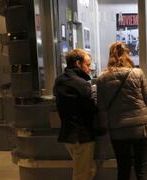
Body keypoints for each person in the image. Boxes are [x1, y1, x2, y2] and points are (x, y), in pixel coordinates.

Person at [97, 42, 147, 180]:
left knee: (123, 169)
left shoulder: (102, 78)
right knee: (141, 169)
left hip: (118, 129)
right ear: (126, 55)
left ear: (110, 56)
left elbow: (101, 107)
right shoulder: (137, 73)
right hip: (141, 127)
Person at [53, 49, 97, 180]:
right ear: (78, 63)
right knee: (81, 174)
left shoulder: (59, 81)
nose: (90, 69)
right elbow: (92, 109)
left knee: (89, 169)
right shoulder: (82, 84)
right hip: (81, 136)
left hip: (68, 134)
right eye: (88, 65)